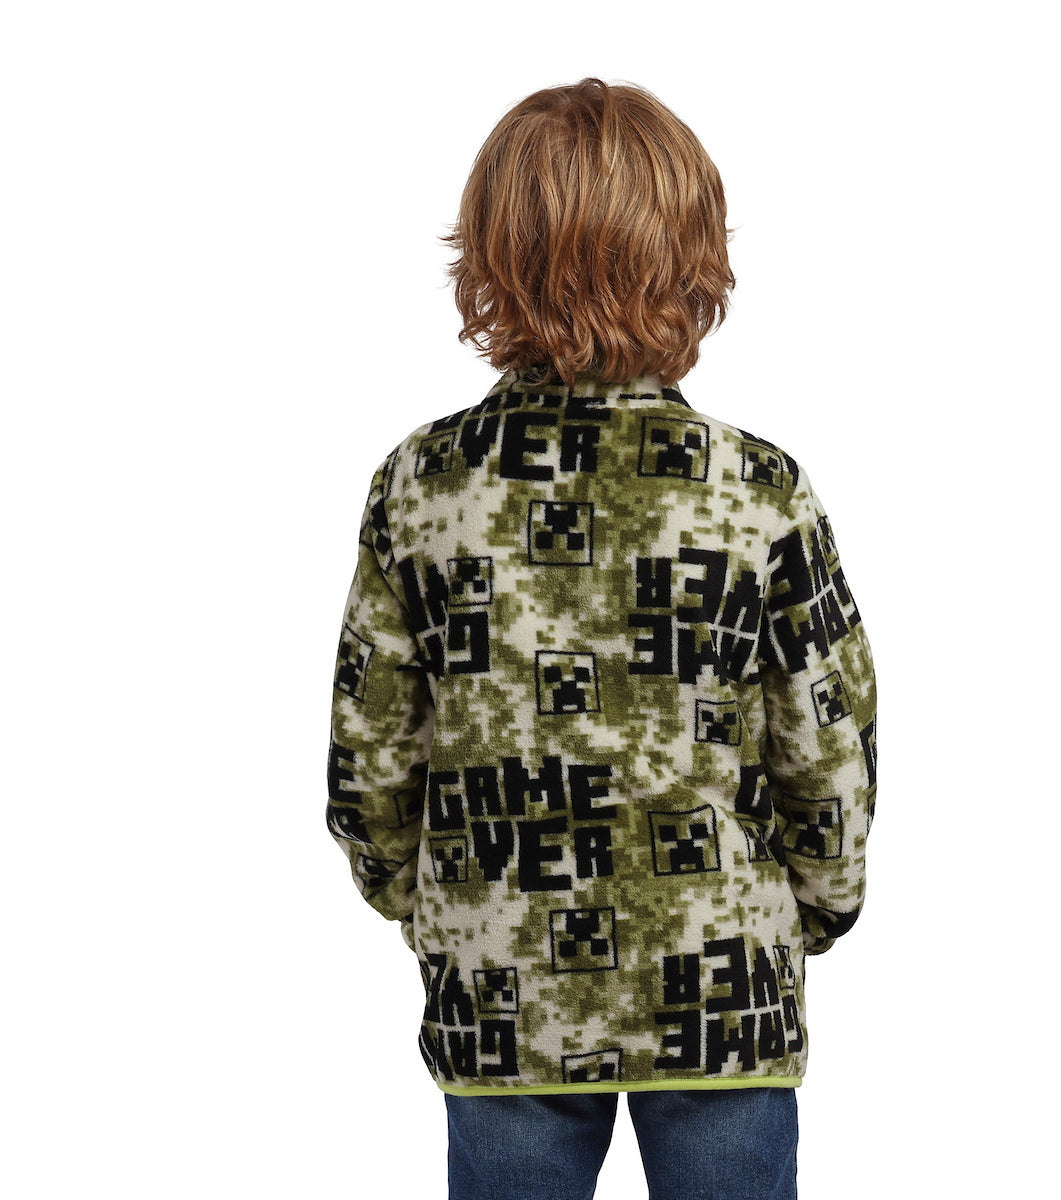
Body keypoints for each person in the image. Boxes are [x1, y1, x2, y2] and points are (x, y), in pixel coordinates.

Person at [326, 76, 878, 1200]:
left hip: (501, 986)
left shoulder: (423, 486)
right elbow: (828, 741)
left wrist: (427, 903)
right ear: (694, 255)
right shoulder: (759, 490)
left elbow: (371, 753)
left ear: (492, 253)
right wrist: (814, 905)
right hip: (722, 984)